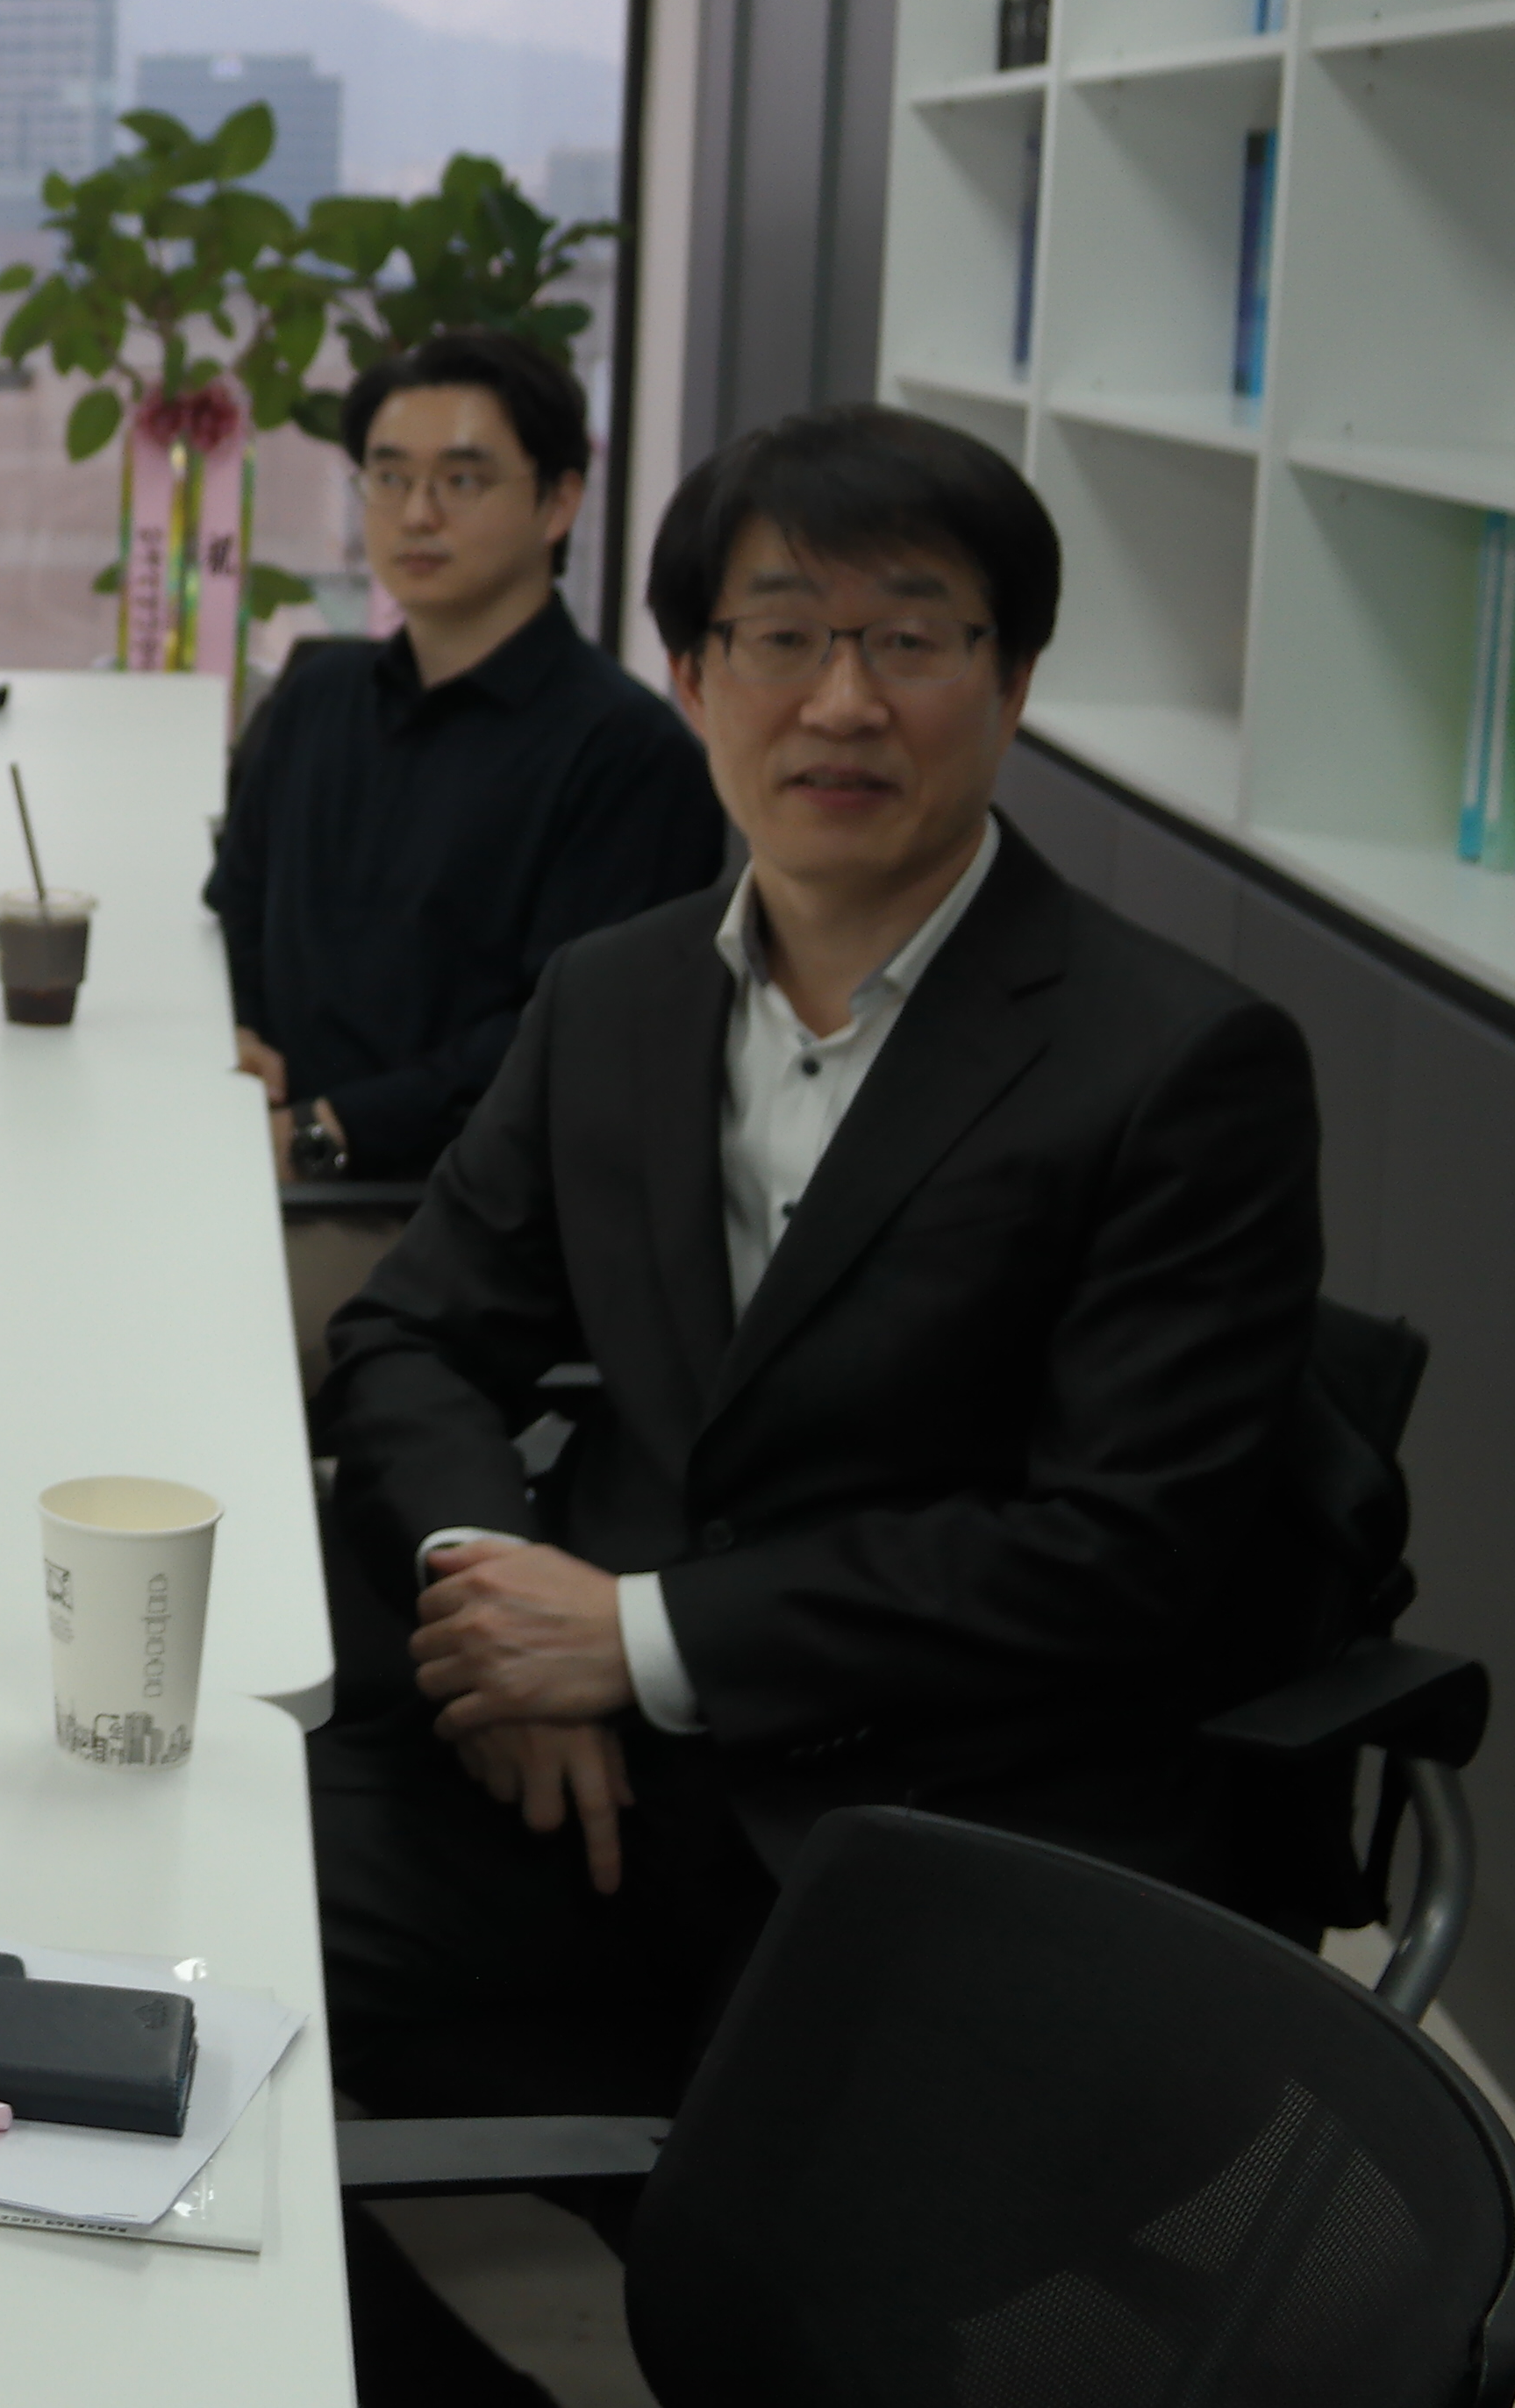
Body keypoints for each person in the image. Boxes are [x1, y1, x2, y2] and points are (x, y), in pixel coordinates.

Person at [308, 405, 1320, 2402]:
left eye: (909, 637)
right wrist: (502, 1609)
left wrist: (637, 1637)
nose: (838, 700)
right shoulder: (613, 997)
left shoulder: (1175, 1062)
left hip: (955, 1834)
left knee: (772, 2317)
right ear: (692, 676)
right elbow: (407, 1339)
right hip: (586, 1782)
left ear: (1008, 681)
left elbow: (1122, 1555)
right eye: (778, 634)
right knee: (170, 1985)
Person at [211, 327, 729, 1201]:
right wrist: (243, 1029)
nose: (417, 514)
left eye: (461, 480)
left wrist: (325, 1132)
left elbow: (567, 1042)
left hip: (450, 1213)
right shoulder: (316, 697)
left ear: (559, 503)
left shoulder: (633, 756)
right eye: (389, 477)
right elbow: (239, 901)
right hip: (265, 1159)